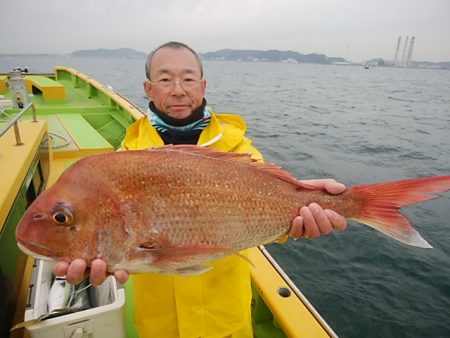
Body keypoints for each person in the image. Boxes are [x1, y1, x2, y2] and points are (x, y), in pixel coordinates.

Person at [53, 41, 347, 337]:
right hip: (161, 327)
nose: (178, 89)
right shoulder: (124, 160)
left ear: (203, 86)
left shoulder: (238, 148)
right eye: (165, 79)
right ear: (149, 89)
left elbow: (269, 211)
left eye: (189, 78)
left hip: (225, 321)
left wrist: (297, 222)